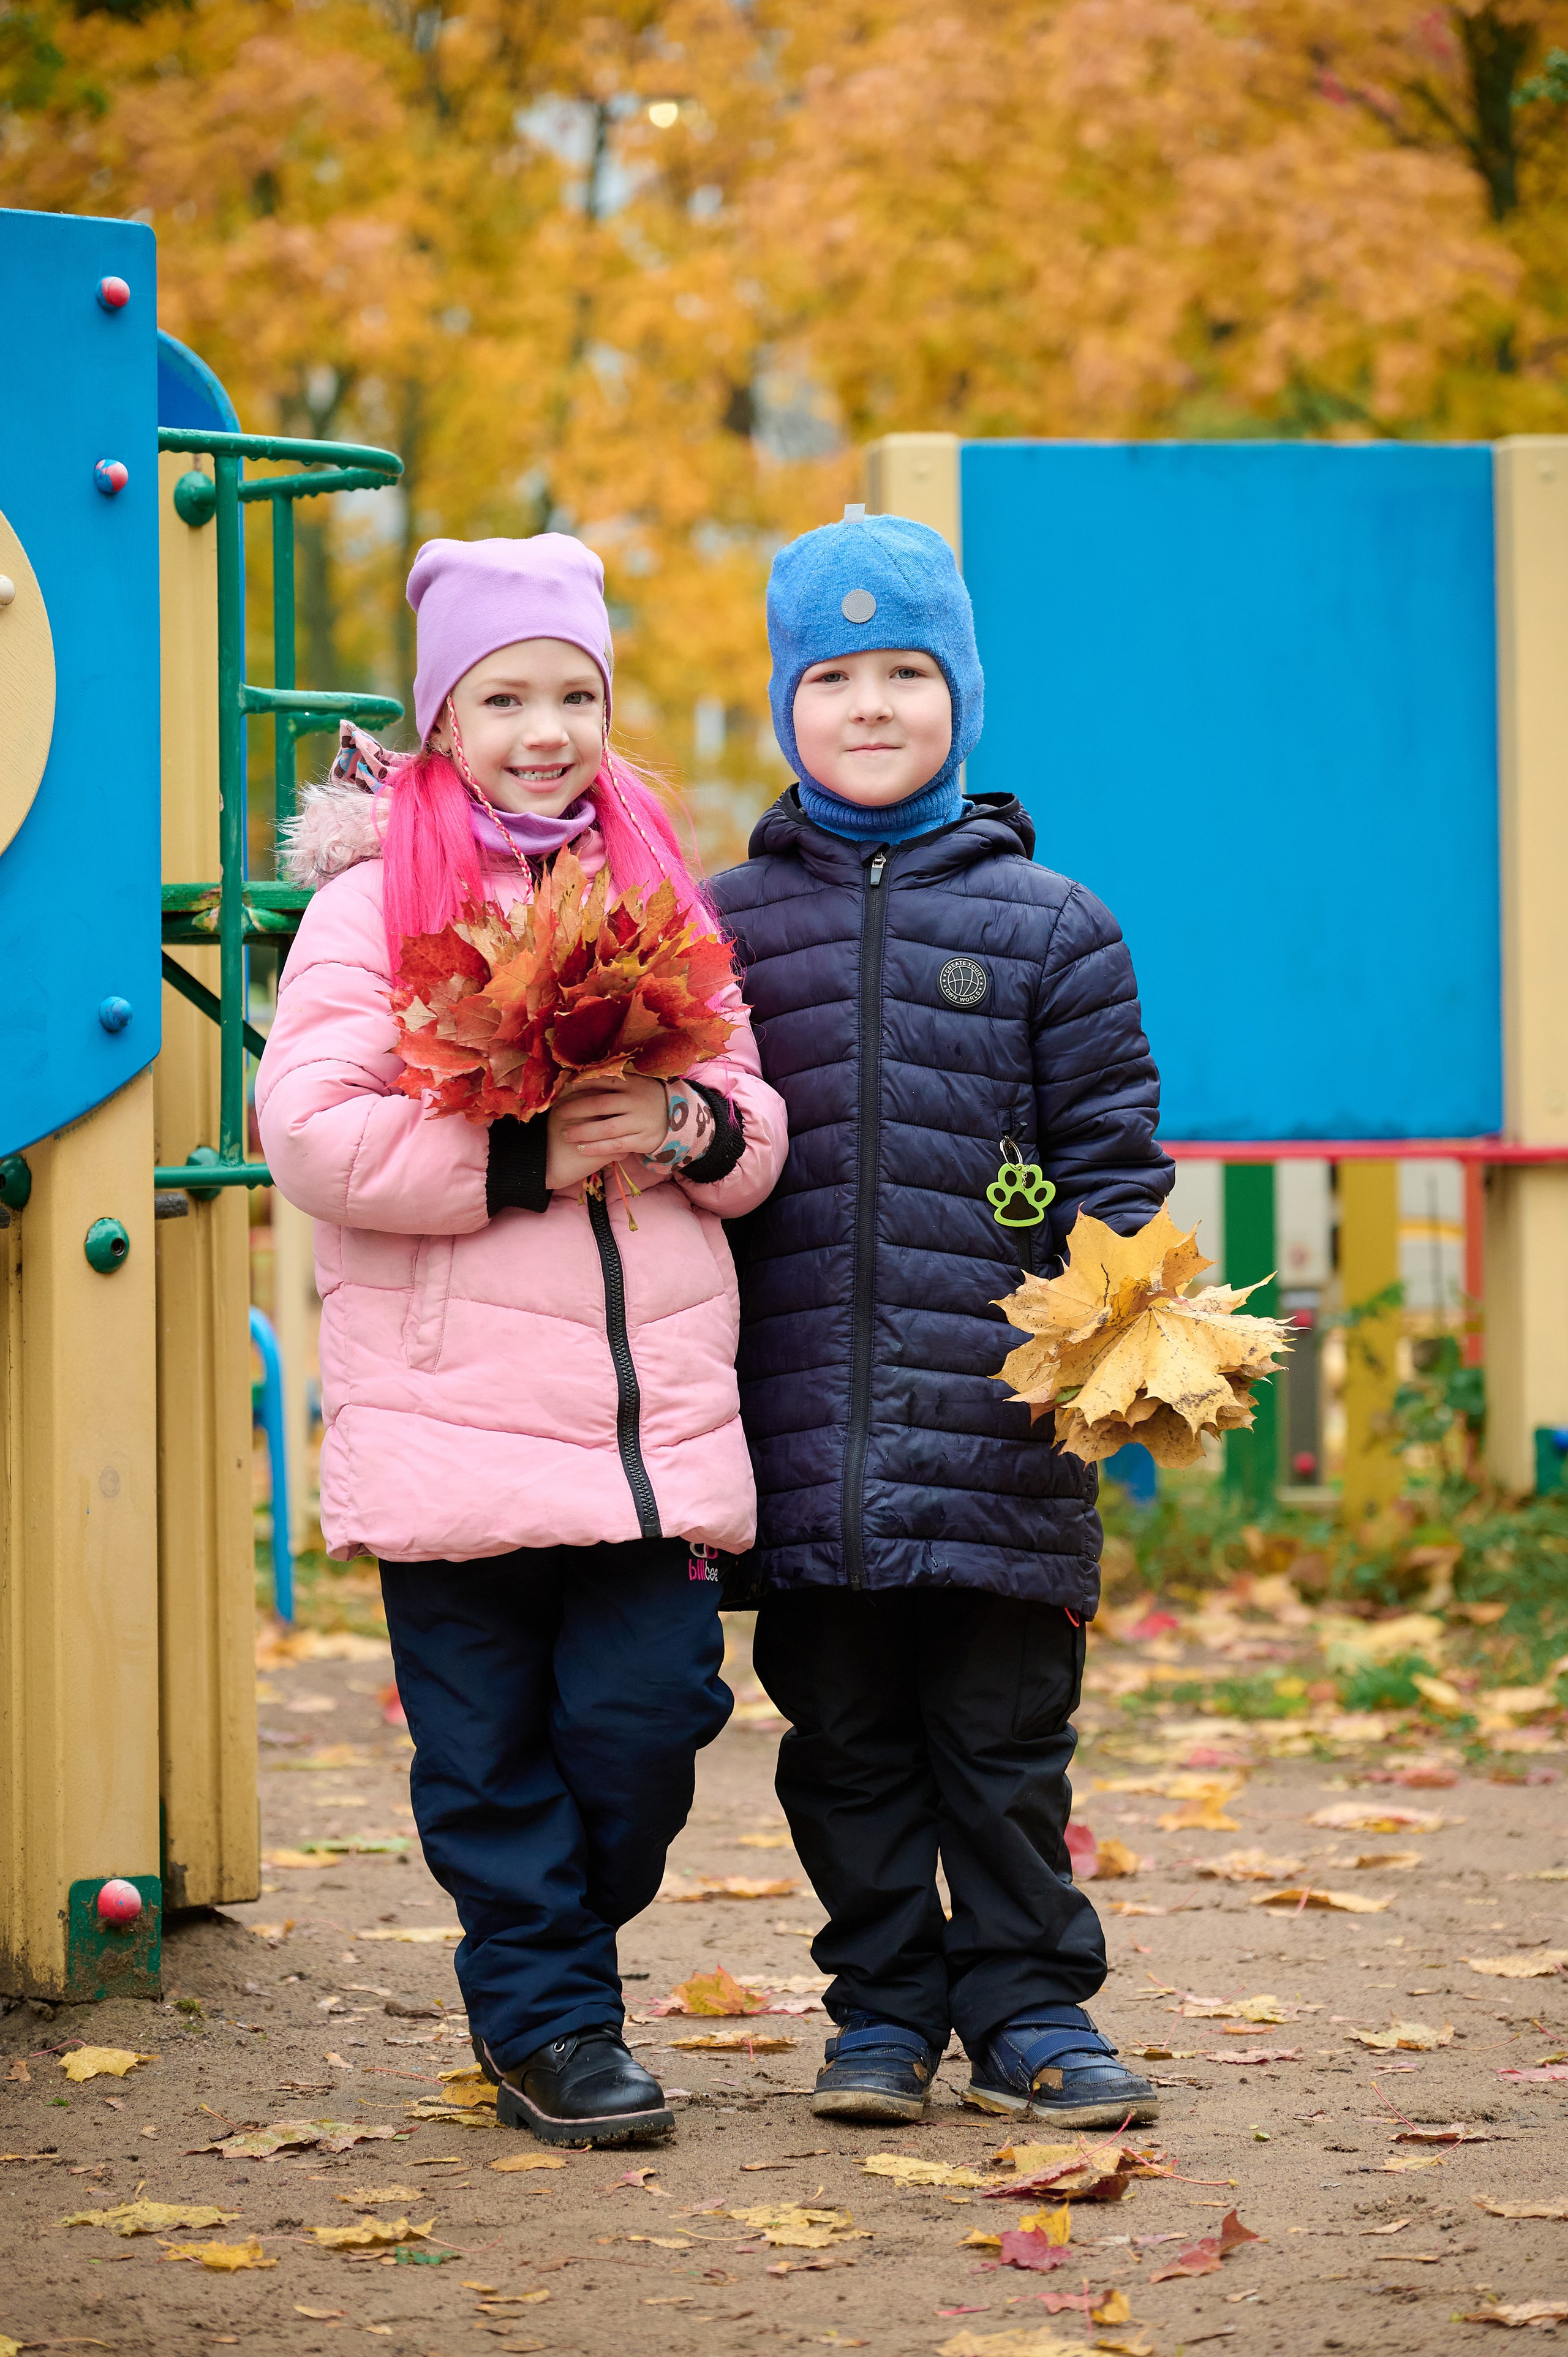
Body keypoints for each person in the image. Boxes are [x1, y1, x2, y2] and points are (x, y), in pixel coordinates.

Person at [256, 535, 787, 2148]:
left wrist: (689, 1127)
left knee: (646, 1729)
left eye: (574, 695)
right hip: (454, 1427)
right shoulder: (372, 904)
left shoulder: (655, 891)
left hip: (645, 1440)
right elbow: (313, 1134)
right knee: (487, 1758)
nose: (544, 730)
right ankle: (552, 2021)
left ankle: (547, 1949)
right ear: (442, 717)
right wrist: (512, 1160)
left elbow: (754, 1121)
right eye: (503, 698)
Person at [709, 508, 1173, 2129]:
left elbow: (1115, 1168)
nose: (872, 705)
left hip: (999, 1436)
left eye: (907, 672)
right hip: (801, 1436)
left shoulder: (1055, 925)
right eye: (833, 677)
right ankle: (884, 2016)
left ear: (962, 696)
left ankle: (1033, 2009)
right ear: (789, 706)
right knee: (842, 1743)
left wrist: (1111, 1354)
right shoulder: (721, 926)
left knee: (1002, 1742)